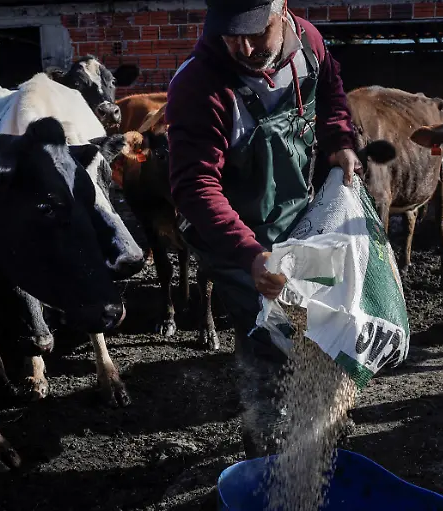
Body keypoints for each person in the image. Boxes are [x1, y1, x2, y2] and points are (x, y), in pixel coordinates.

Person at [165, 0, 361, 458]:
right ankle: (268, 450)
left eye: (255, 31)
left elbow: (331, 94)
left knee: (324, 320)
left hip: (298, 219)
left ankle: (324, 425)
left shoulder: (309, 44)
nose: (243, 45)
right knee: (267, 337)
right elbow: (194, 185)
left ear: (283, 10)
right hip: (232, 237)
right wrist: (251, 253)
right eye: (230, 33)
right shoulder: (200, 84)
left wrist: (339, 141)